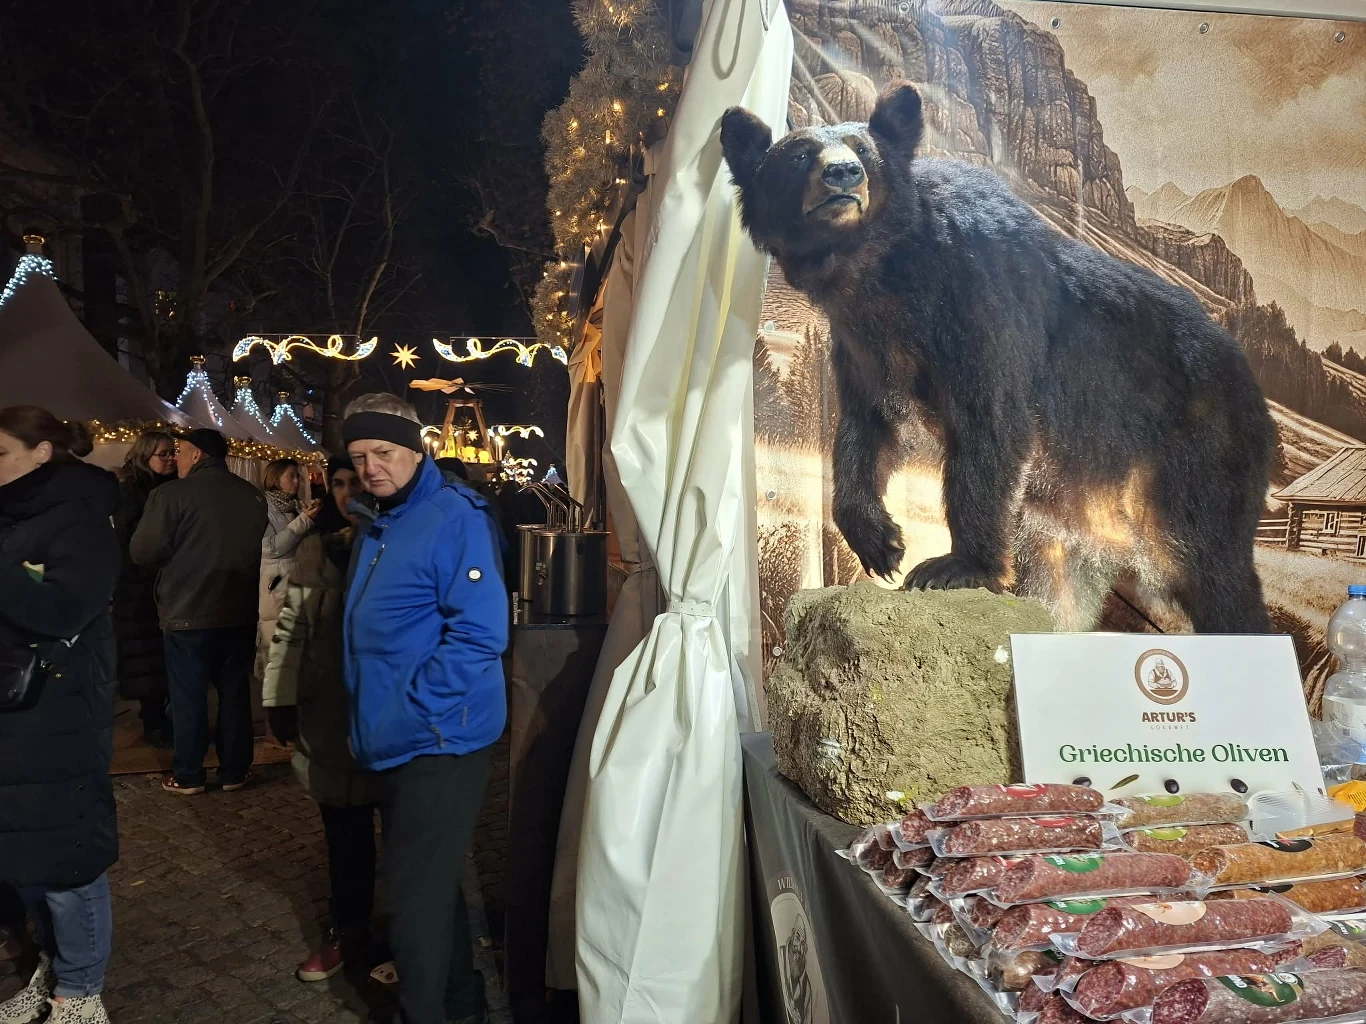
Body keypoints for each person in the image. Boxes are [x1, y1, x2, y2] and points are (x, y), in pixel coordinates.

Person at [343, 394, 508, 1024]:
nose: (370, 468)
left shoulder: (452, 517)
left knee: (413, 899)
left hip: (440, 738)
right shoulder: (379, 521)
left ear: (416, 449)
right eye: (358, 457)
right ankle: (463, 1005)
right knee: (432, 887)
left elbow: (480, 634)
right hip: (396, 734)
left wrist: (417, 709)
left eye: (383, 453)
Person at [0, 406, 121, 1024]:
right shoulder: (11, 515)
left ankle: (81, 992)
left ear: (41, 453)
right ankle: (51, 968)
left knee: (68, 858)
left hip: (59, 713)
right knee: (24, 858)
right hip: (13, 715)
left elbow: (62, 611)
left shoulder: (80, 518)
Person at [261, 455, 384, 982]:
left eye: (354, 481)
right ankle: (348, 931)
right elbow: (292, 630)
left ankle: (408, 939)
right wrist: (280, 698)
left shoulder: (402, 546)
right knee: (345, 836)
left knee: (407, 835)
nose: (344, 491)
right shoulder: (316, 551)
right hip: (333, 718)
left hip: (392, 718)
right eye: (336, 482)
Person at [130, 427, 267, 796]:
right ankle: (235, 770)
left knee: (188, 694)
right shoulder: (251, 496)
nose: (175, 459)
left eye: (180, 452)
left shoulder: (169, 495)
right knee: (235, 691)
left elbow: (143, 552)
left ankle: (189, 773)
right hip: (238, 609)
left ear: (197, 455)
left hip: (187, 609)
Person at [112, 429, 178, 748]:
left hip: (166, 582)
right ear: (145, 456)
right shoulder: (130, 491)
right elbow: (131, 538)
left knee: (163, 654)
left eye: (171, 453)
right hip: (138, 584)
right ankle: (153, 719)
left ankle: (165, 716)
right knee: (146, 656)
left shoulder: (175, 487)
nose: (169, 459)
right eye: (162, 454)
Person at [256, 457, 320, 694]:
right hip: (276, 586)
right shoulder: (264, 507)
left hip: (297, 582)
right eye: (291, 476)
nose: (297, 481)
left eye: (298, 476)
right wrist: (305, 521)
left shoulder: (296, 505)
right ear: (275, 479)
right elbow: (269, 547)